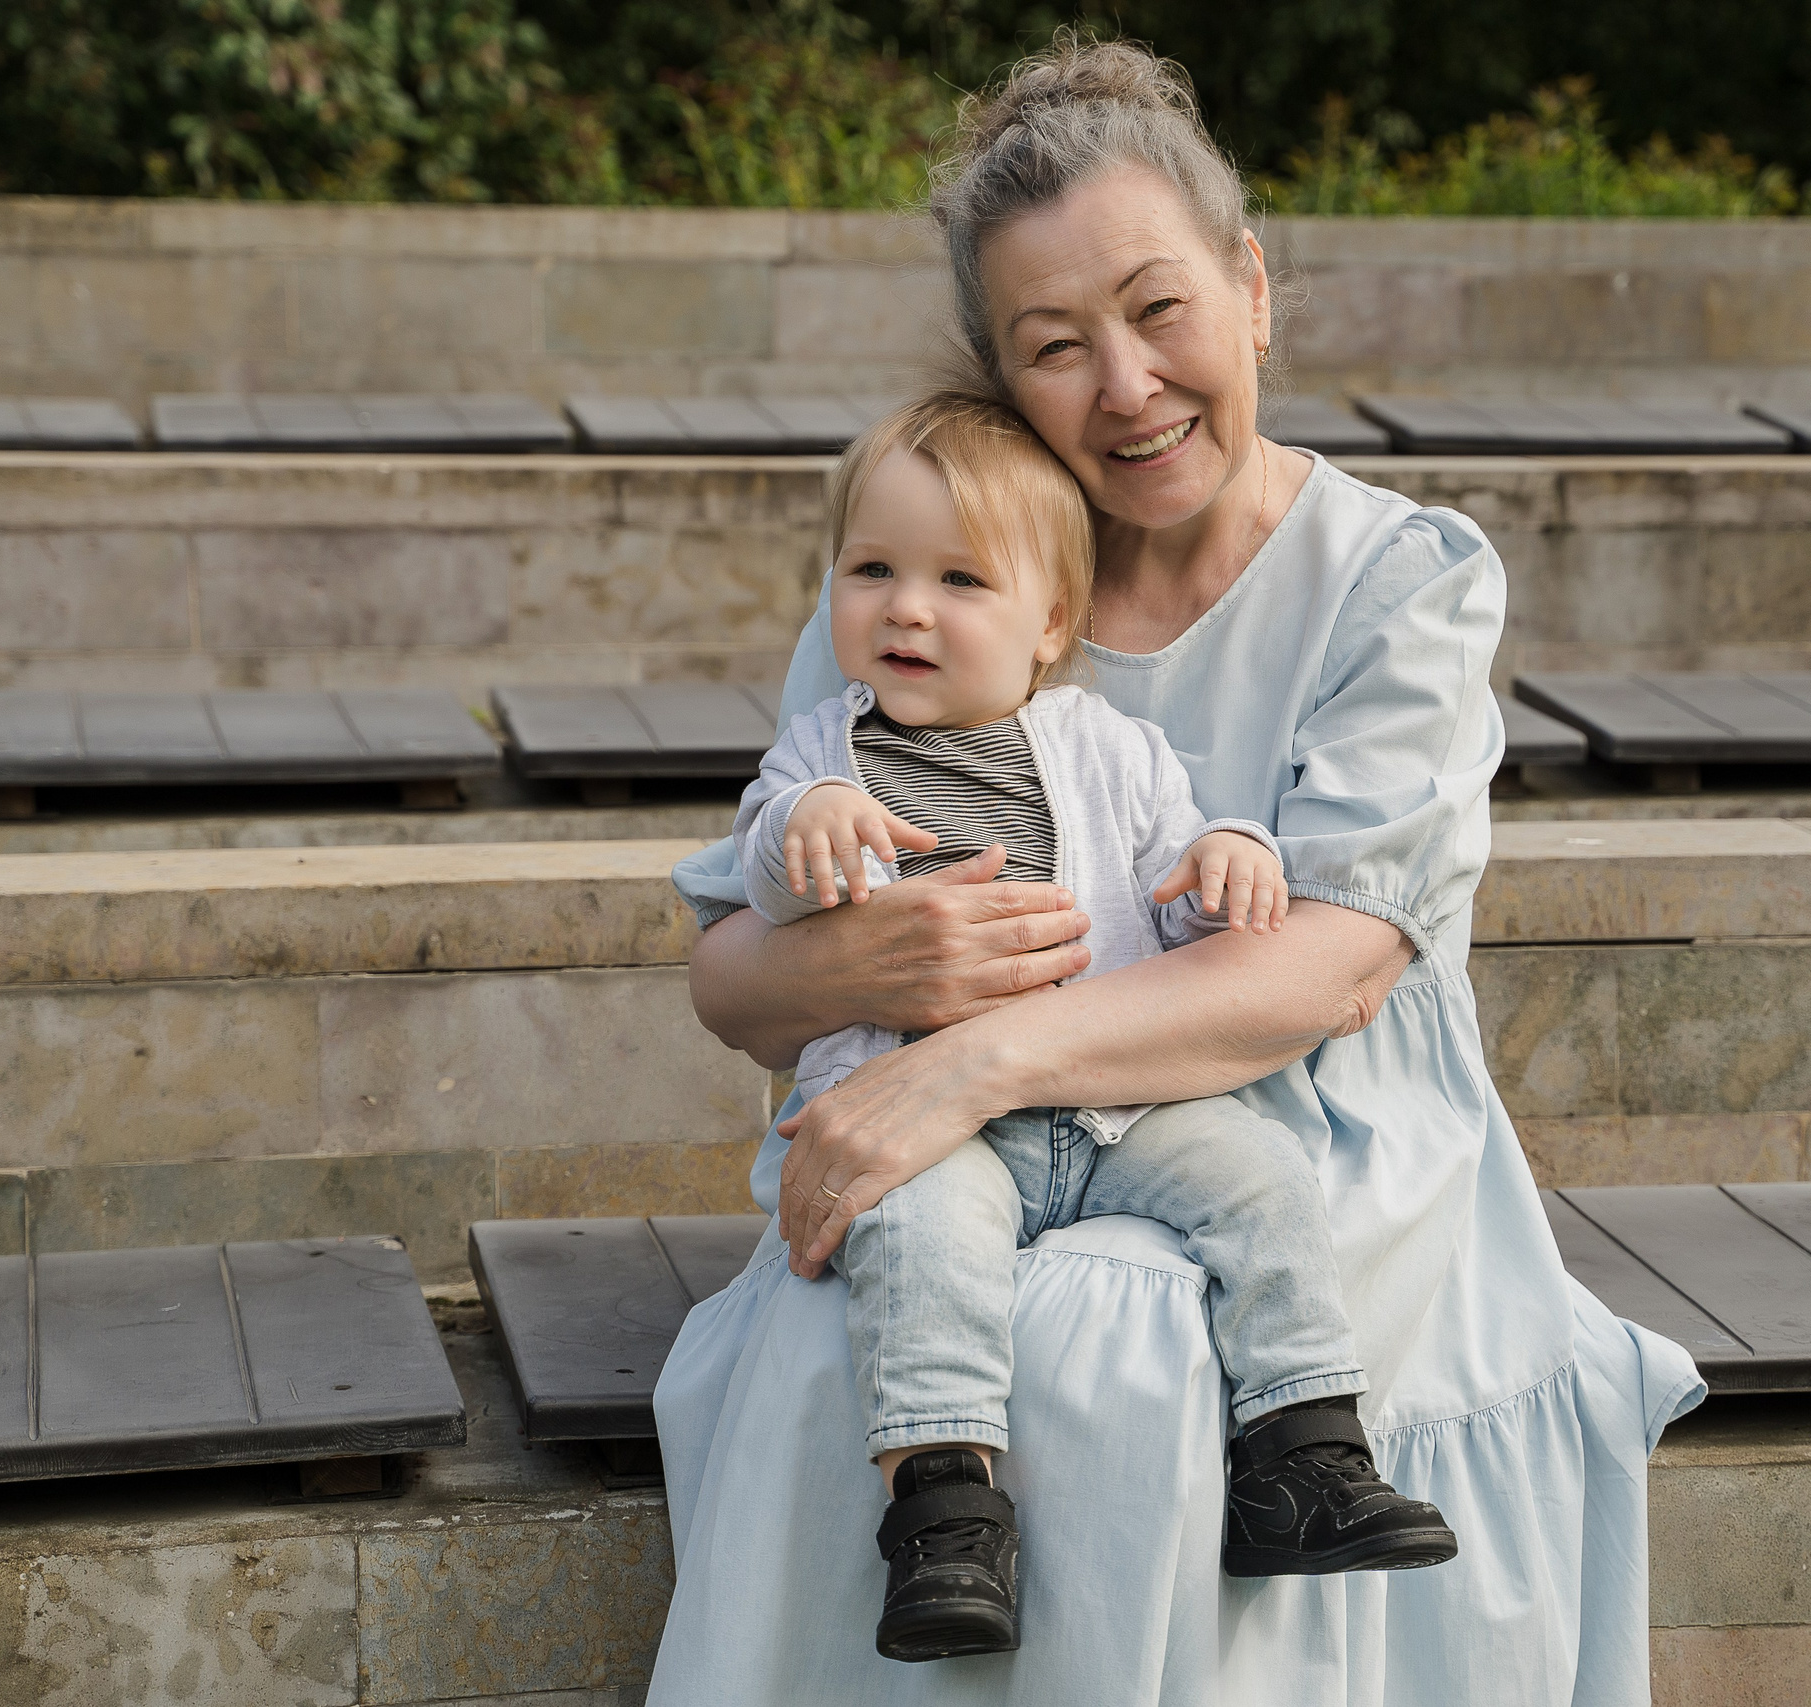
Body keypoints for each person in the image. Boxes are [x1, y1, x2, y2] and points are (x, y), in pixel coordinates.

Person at [649, 34, 1704, 1706]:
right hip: (952, 1117)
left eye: (1160, 312)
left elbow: (1335, 964)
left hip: (1313, 1115)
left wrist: (971, 1060)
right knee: (825, 1331)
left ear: (1253, 287)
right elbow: (731, 976)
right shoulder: (927, 593)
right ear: (1003, 375)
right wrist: (881, 978)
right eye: (1055, 348)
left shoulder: (1398, 577)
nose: (1126, 386)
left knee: (1121, 1341)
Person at [740, 389, 1457, 1663]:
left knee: (1261, 1180)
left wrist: (1230, 853)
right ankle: (946, 1508)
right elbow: (761, 883)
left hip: (1118, 1106)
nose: (907, 607)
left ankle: (1305, 1448)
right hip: (928, 1126)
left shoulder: (1105, 746)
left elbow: (1175, 875)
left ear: (1048, 626)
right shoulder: (825, 754)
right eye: (872, 570)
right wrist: (801, 843)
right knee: (918, 1252)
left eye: (960, 579)